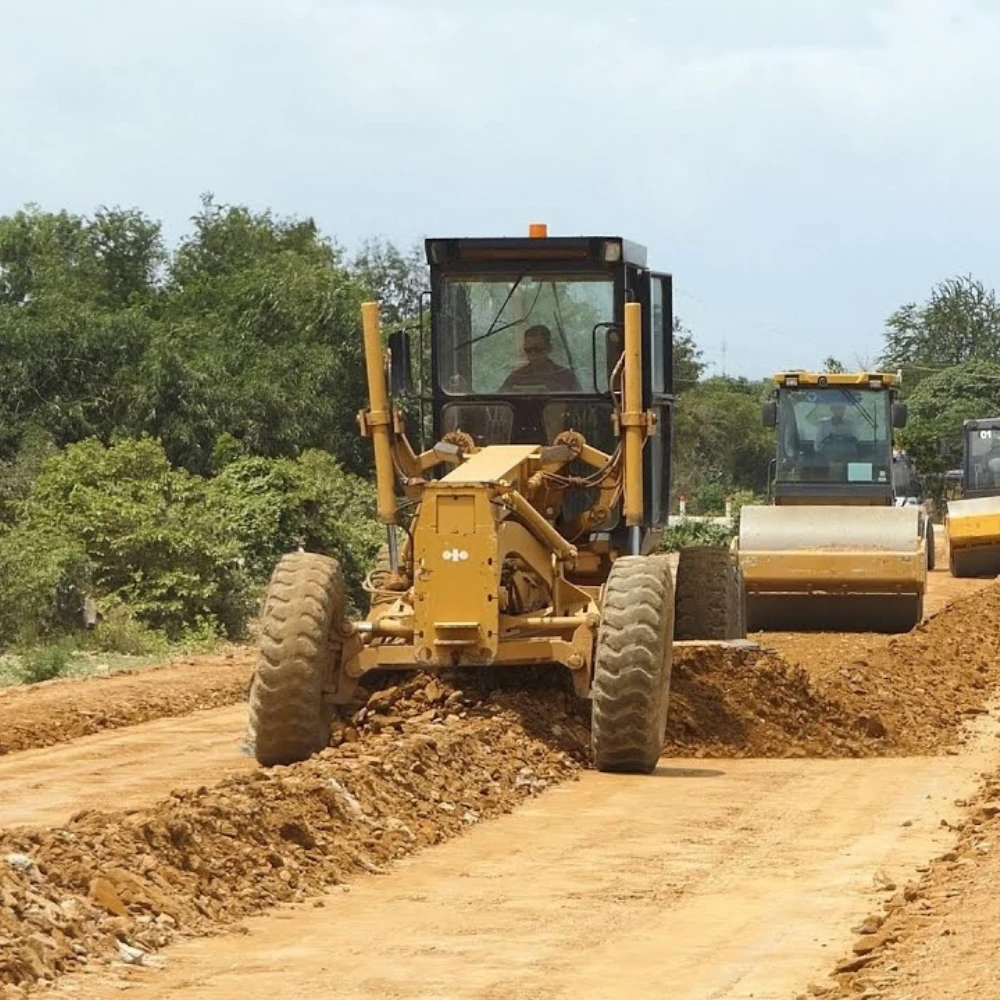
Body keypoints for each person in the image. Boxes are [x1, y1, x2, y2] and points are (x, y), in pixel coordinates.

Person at [499, 324, 581, 393]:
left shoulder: (566, 377)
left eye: (537, 349)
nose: (532, 354)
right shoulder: (516, 377)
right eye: (528, 350)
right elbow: (499, 403)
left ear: (549, 348)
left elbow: (580, 405)